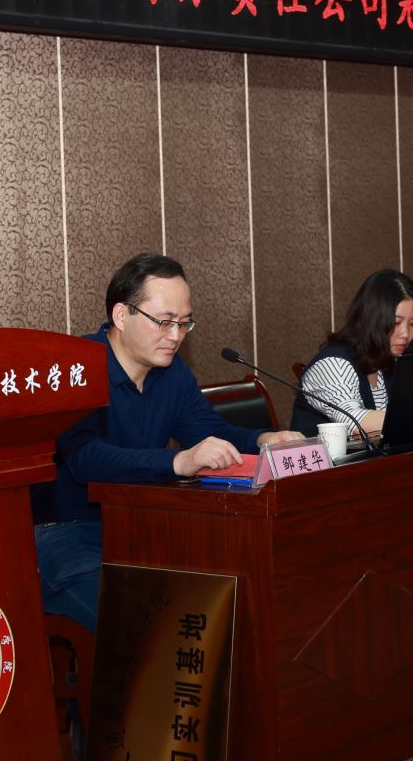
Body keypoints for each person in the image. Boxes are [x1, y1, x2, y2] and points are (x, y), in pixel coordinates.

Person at [35, 253, 300, 632]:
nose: (175, 336)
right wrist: (177, 462)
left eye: (184, 323)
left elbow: (209, 434)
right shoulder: (75, 367)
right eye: (164, 321)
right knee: (149, 626)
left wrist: (264, 439)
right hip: (67, 531)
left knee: (233, 593)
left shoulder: (172, 373)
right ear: (122, 315)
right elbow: (84, 459)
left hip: (143, 523)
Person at [291, 269, 413, 436]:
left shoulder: (390, 361)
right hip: (321, 460)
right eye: (396, 323)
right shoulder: (333, 364)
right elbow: (355, 421)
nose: (405, 333)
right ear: (371, 319)